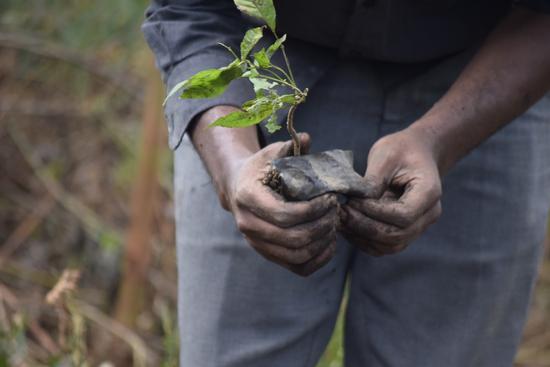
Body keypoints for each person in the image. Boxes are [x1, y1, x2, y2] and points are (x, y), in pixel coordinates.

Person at [143, 1, 550, 366]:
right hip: (266, 70)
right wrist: (234, 169)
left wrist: (439, 140)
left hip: (493, 72)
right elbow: (189, 8)